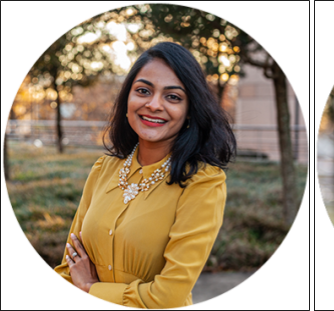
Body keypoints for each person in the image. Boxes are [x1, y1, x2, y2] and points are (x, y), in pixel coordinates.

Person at [53, 41, 236, 309]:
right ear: (127, 99)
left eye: (172, 97)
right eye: (143, 91)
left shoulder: (203, 183)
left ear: (189, 111)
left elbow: (167, 297)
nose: (154, 104)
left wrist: (92, 289)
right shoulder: (103, 169)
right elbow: (69, 265)